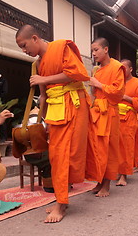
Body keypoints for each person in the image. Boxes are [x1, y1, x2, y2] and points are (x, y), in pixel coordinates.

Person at [15, 24, 91, 223]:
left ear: (34, 38)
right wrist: (42, 118)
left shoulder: (60, 48)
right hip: (55, 111)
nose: (24, 51)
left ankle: (61, 203)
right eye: (21, 48)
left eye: (24, 45)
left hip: (73, 105)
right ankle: (62, 201)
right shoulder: (38, 64)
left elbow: (78, 73)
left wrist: (44, 78)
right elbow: (43, 95)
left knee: (64, 154)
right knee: (56, 155)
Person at [85, 37, 125, 197]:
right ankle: (99, 181)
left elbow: (119, 93)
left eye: (96, 50)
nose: (93, 53)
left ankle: (107, 184)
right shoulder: (96, 70)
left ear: (106, 49)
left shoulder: (117, 67)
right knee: (96, 149)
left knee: (108, 149)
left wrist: (99, 85)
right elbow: (93, 94)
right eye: (92, 50)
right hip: (96, 113)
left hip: (110, 113)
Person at [116, 59, 138, 186]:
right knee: (114, 147)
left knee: (126, 147)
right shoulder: (117, 82)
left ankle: (123, 175)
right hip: (114, 117)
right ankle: (117, 171)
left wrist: (125, 97)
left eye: (124, 68)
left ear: (131, 69)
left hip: (129, 118)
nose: (122, 71)